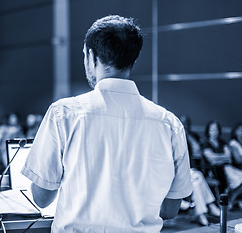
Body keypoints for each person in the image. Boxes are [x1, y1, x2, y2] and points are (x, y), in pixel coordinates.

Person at [21, 15, 193, 232]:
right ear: (133, 60)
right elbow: (170, 210)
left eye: (85, 56)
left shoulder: (63, 114)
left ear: (92, 56)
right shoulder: (169, 124)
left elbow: (42, 197)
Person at [203, 120, 242, 210]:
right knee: (237, 180)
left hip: (228, 167)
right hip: (214, 171)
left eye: (216, 130)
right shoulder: (206, 144)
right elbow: (210, 159)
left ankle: (232, 199)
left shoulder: (222, 142)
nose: (214, 132)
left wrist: (217, 158)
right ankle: (231, 200)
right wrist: (222, 157)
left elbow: (228, 156)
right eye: (212, 130)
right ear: (208, 131)